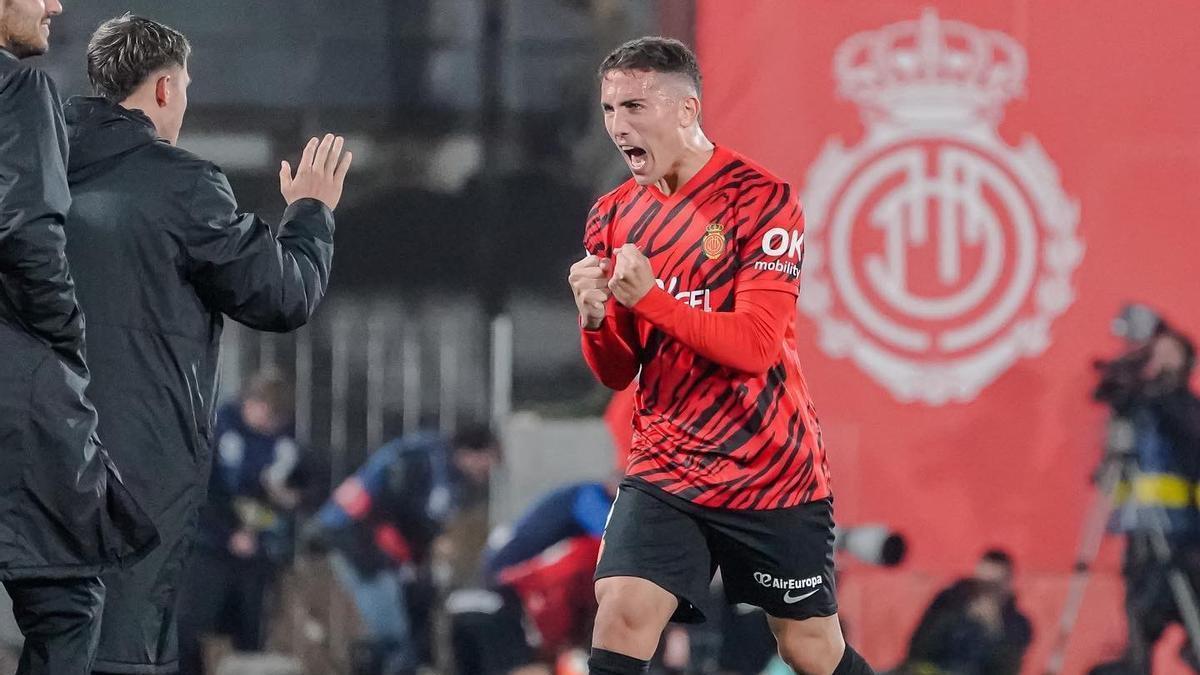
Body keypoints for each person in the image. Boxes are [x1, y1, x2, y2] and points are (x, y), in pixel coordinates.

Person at [566, 37, 874, 675]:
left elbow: (756, 347)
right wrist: (596, 319)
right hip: (667, 464)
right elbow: (618, 371)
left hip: (768, 466)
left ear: (686, 111)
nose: (618, 126)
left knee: (809, 649)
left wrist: (648, 297)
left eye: (634, 107)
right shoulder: (611, 216)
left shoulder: (760, 200)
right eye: (608, 109)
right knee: (620, 610)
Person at [59, 14, 351, 674]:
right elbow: (282, 294)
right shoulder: (180, 186)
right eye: (185, 86)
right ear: (163, 89)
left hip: (37, 461)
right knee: (122, 652)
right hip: (135, 474)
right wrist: (309, 211)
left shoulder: (34, 170)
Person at [0, 2, 158, 673]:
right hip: (16, 378)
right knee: (67, 596)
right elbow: (26, 230)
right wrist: (66, 335)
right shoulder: (18, 87)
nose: (54, 5)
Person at [302, 426, 501, 675]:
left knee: (413, 622)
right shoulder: (422, 460)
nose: (487, 472)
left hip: (380, 544)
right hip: (359, 540)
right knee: (393, 636)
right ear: (470, 453)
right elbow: (394, 511)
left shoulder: (444, 471)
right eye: (486, 462)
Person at [177, 370, 307, 675]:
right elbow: (201, 491)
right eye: (268, 415)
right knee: (189, 628)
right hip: (208, 546)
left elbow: (301, 484)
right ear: (254, 403)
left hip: (255, 551)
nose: (270, 426)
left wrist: (288, 499)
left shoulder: (282, 441)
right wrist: (228, 534)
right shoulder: (217, 428)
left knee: (251, 633)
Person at [447, 479, 618, 675]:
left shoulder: (574, 543)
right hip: (504, 599)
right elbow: (613, 535)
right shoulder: (588, 502)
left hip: (475, 598)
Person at [901, 549, 1032, 675]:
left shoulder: (1018, 625)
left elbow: (1007, 669)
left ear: (1008, 584)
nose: (987, 592)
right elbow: (918, 648)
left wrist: (994, 628)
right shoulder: (949, 602)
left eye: (994, 586)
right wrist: (957, 618)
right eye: (983, 584)